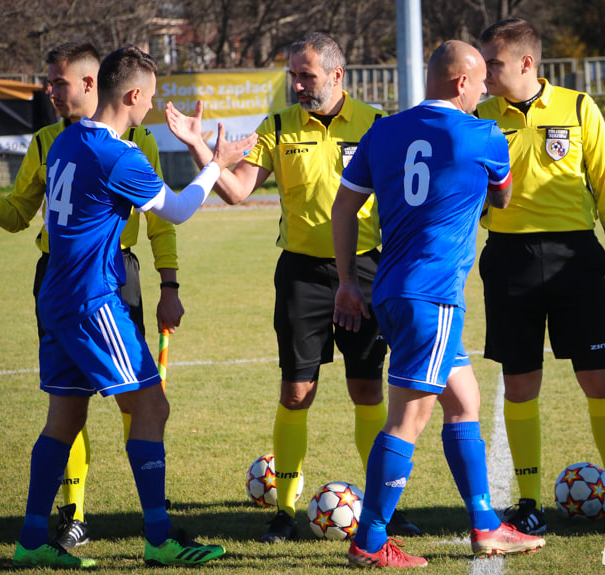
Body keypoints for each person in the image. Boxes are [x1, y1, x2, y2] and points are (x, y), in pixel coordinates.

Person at [0, 44, 254, 568]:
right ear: (133, 95)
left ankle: (31, 540)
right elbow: (177, 211)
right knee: (152, 406)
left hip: (57, 297)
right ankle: (159, 537)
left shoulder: (64, 143)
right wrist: (215, 163)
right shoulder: (118, 154)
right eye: (151, 99)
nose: (153, 108)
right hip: (93, 301)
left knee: (63, 419)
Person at [165, 31, 419, 542]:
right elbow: (236, 191)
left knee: (368, 389)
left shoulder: (377, 125)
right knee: (296, 391)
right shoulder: (277, 127)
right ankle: (283, 511)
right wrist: (198, 147)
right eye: (294, 76)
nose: (299, 85)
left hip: (368, 272)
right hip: (303, 275)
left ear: (336, 75)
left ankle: (381, 507)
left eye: (308, 75)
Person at [332, 40, 546, 568]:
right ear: (459, 83)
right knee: (408, 419)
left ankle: (485, 524)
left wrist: (345, 280)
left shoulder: (381, 131)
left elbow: (343, 207)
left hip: (389, 286)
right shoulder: (484, 135)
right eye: (479, 84)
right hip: (433, 296)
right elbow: (502, 198)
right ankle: (370, 539)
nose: (484, 92)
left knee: (464, 401)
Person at [475, 18, 605, 536]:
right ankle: (528, 502)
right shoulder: (482, 116)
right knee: (520, 383)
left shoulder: (579, 108)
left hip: (575, 257)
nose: (486, 73)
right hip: (508, 260)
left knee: (599, 381)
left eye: (495, 63)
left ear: (526, 63)